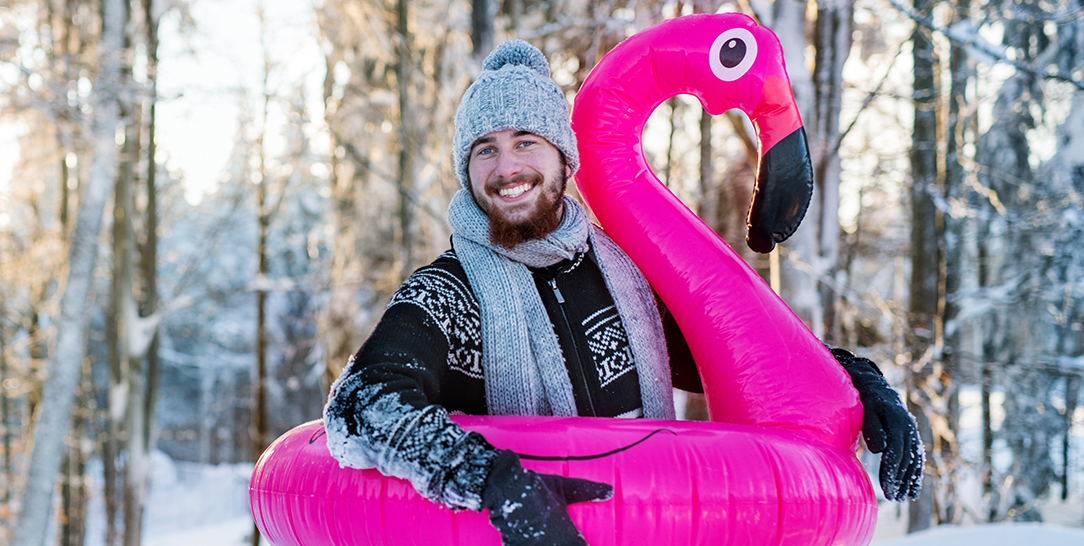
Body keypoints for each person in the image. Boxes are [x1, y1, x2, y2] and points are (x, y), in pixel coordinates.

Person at [324, 39, 923, 546]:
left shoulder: (624, 280)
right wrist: (492, 478)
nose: (506, 167)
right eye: (485, 149)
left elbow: (736, 352)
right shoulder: (448, 294)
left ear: (563, 157)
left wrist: (854, 383)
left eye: (526, 141)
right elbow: (362, 402)